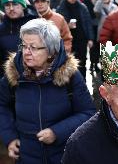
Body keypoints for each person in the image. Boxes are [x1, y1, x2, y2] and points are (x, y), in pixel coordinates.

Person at [0, 19, 96, 164]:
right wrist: (9, 137)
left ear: (51, 51)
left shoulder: (70, 76)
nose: (26, 52)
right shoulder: (14, 74)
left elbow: (88, 113)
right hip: (26, 155)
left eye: (33, 47)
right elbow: (2, 106)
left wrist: (57, 132)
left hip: (63, 154)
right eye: (24, 46)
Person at [57, 0, 94, 79]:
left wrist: (90, 38)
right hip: (67, 40)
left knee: (82, 61)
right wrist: (67, 26)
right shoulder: (61, 8)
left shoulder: (82, 7)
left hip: (81, 39)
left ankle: (83, 81)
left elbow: (88, 23)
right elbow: (58, 25)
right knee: (69, 63)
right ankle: (71, 84)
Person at [0, 0, 37, 78]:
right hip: (8, 81)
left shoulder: (36, 25)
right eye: (7, 5)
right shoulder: (1, 29)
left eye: (15, 4)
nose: (11, 8)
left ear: (23, 5)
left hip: (35, 79)